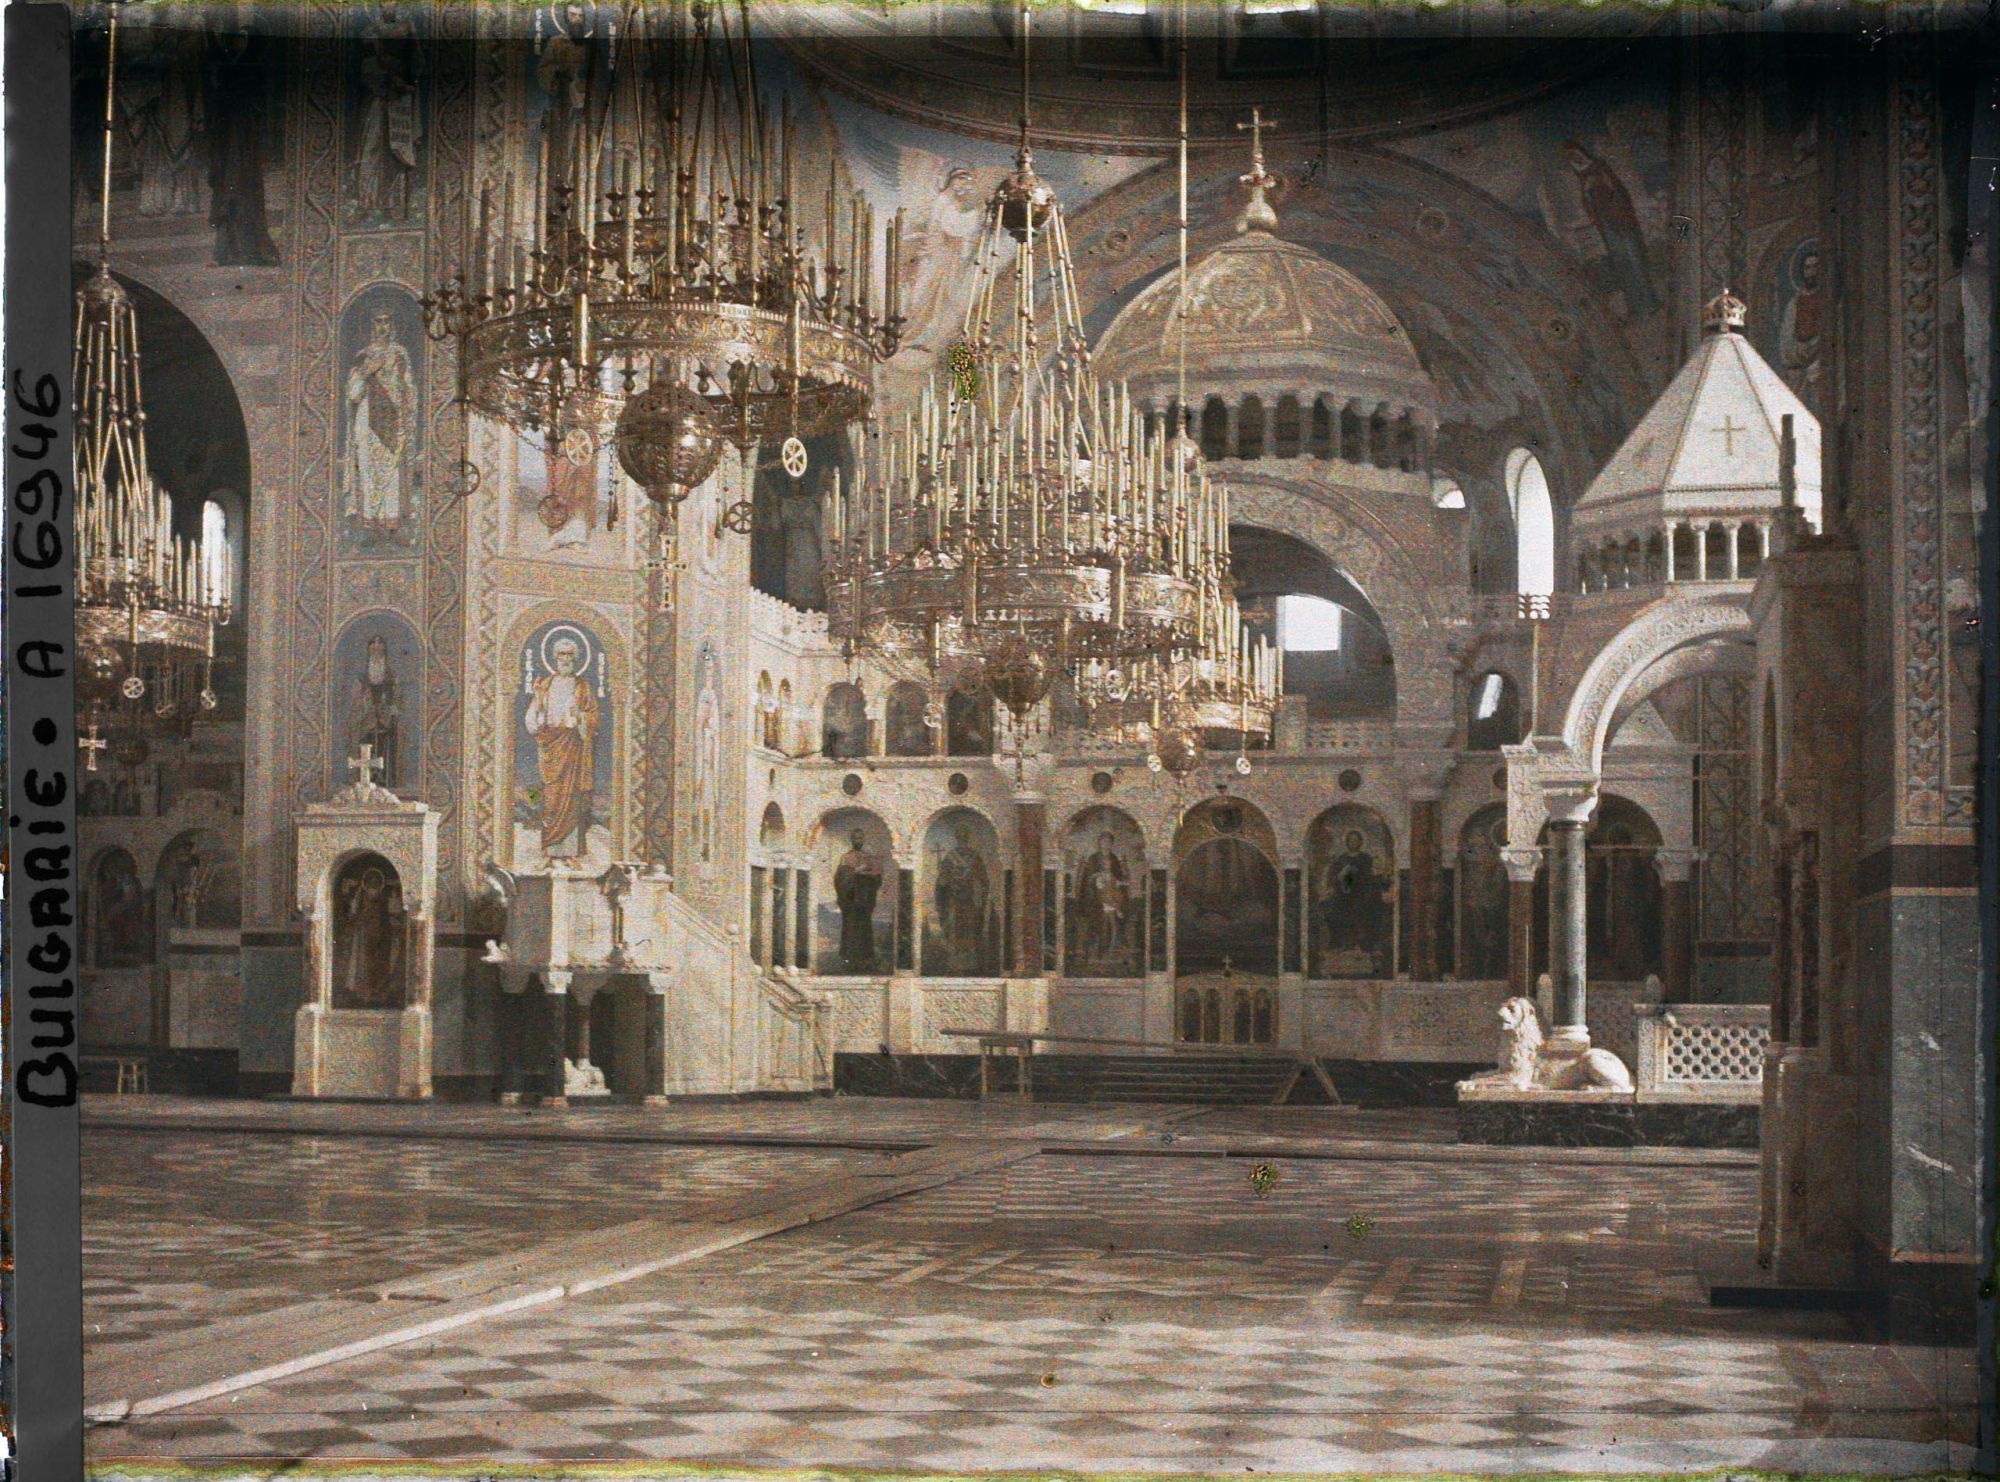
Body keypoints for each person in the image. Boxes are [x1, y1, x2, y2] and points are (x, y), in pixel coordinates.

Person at [1560, 140, 1658, 317]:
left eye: (1575, 154)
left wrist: (1618, 212)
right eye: (1571, 157)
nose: (1575, 159)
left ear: (1582, 153)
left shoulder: (1600, 168)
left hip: (1621, 222)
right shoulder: (1583, 178)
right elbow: (1589, 204)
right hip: (1607, 228)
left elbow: (1617, 192)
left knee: (1634, 261)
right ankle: (1635, 306)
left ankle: (1649, 303)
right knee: (1623, 265)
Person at [524, 636, 600, 860]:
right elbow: (533, 718)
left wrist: (581, 716)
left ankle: (570, 852)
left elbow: (593, 717)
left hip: (573, 747)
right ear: (555, 658)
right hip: (550, 746)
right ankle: (550, 849)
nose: (565, 659)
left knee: (571, 797)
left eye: (569, 655)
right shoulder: (545, 685)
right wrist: (539, 713)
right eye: (561, 655)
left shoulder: (582, 687)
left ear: (576, 658)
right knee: (551, 798)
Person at [343, 311, 416, 535]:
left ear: (392, 325)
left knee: (392, 469)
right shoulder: (363, 356)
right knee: (367, 466)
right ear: (371, 325)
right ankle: (370, 524)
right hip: (368, 419)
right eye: (378, 322)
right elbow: (353, 394)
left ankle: (392, 523)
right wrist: (366, 373)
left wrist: (404, 402)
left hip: (393, 417)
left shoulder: (400, 354)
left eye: (387, 321)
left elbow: (408, 387)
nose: (383, 326)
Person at [933, 823, 990, 974]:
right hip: (958, 902)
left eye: (962, 836)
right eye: (960, 836)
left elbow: (942, 883)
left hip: (964, 902)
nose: (961, 839)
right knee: (959, 931)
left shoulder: (954, 857)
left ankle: (965, 964)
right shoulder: (968, 856)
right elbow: (984, 882)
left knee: (965, 931)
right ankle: (958, 964)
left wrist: (943, 882)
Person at [1073, 831, 1132, 972]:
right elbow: (1087, 878)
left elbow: (1120, 877)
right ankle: (1094, 954)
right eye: (1103, 842)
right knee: (1098, 924)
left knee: (1114, 924)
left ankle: (1110, 951)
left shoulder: (1114, 859)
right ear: (1099, 843)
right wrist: (1097, 877)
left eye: (1108, 842)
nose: (1106, 844)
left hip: (1112, 895)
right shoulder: (1093, 858)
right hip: (1096, 897)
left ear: (1111, 844)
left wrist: (1115, 880)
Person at [352, 634, 401, 786]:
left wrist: (390, 710)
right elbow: (356, 701)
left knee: (385, 751)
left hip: (385, 721)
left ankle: (387, 780)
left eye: (380, 648)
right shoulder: (362, 677)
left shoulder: (391, 677)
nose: (377, 650)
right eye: (373, 647)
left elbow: (398, 699)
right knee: (365, 749)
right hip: (367, 721)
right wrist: (367, 708)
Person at [833, 831, 884, 972]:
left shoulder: (869, 858)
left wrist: (869, 876)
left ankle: (865, 960)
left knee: (864, 929)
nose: (857, 840)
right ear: (851, 840)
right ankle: (848, 960)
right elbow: (839, 879)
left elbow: (877, 879)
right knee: (849, 929)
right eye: (855, 838)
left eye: (860, 838)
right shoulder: (845, 857)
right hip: (850, 901)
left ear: (863, 839)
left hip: (864, 900)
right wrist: (854, 873)